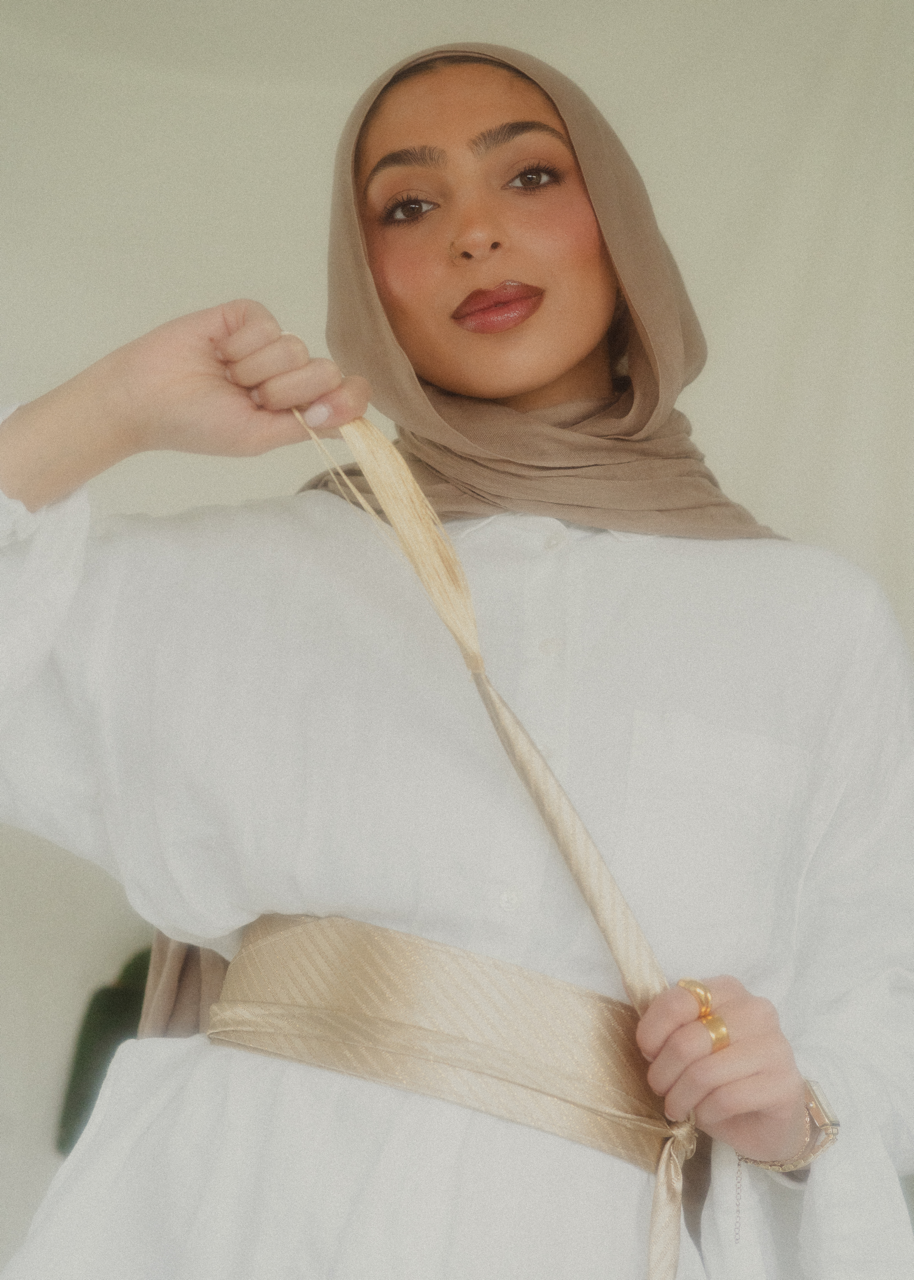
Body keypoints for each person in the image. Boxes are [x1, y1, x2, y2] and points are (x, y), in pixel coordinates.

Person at [0, 41, 912, 1280]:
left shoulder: (807, 621)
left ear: (620, 221)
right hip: (234, 1218)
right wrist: (108, 409)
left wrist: (798, 1110)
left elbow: (878, 999)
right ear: (362, 275)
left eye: (529, 177)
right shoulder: (232, 581)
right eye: (407, 205)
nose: (472, 234)